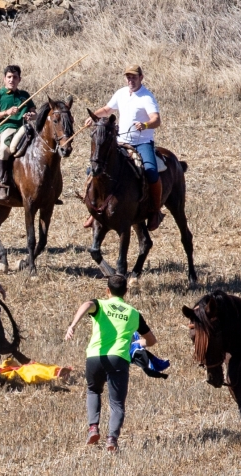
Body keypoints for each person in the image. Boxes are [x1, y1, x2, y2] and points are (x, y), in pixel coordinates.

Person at [64, 274, 157, 452]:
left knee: (93, 390)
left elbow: (86, 304)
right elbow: (151, 340)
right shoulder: (134, 313)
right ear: (126, 292)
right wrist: (137, 343)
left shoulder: (100, 304)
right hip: (118, 359)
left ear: (107, 290)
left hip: (94, 357)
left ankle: (93, 428)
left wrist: (73, 325)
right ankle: (111, 439)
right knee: (117, 404)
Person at [83, 64, 162, 230]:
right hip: (120, 141)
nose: (131, 80)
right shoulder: (121, 93)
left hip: (141, 143)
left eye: (134, 77)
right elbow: (107, 109)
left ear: (141, 77)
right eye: (128, 77)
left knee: (151, 172)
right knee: (94, 169)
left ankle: (155, 211)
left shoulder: (147, 97)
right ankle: (95, 209)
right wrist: (94, 117)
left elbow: (157, 119)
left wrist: (146, 124)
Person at [0, 65, 36, 200]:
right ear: (4, 79)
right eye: (9, 77)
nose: (11, 80)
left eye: (15, 77)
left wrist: (30, 115)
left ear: (19, 79)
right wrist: (6, 112)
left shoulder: (24, 95)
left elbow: (35, 113)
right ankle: (3, 184)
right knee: (4, 149)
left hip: (25, 127)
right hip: (7, 128)